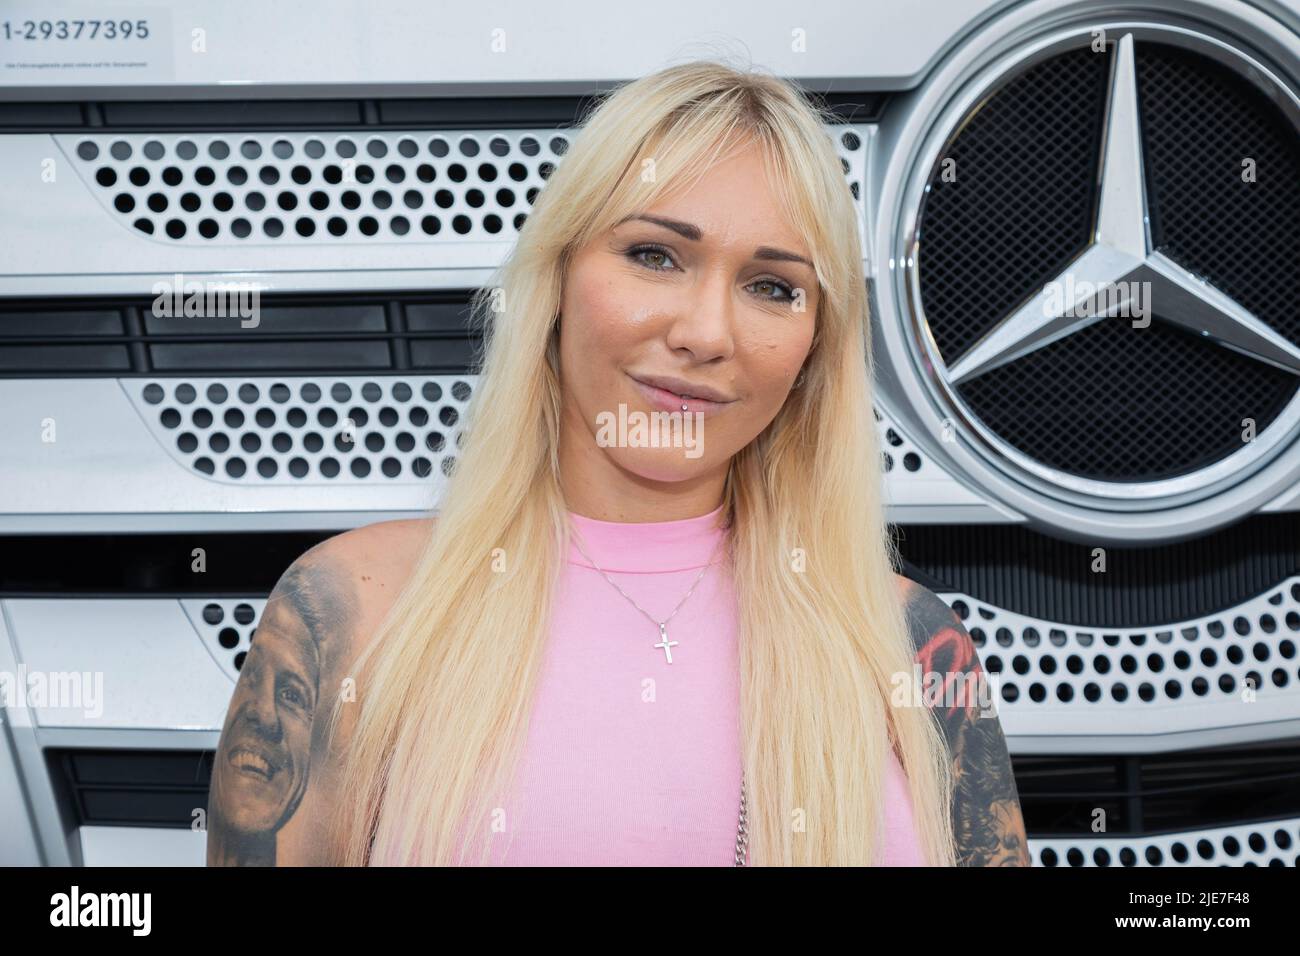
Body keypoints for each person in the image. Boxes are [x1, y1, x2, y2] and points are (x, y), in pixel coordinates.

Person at [207, 58, 1029, 867]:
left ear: (816, 348)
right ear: (558, 279)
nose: (707, 333)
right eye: (655, 255)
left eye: (773, 287)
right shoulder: (348, 612)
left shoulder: (913, 645)